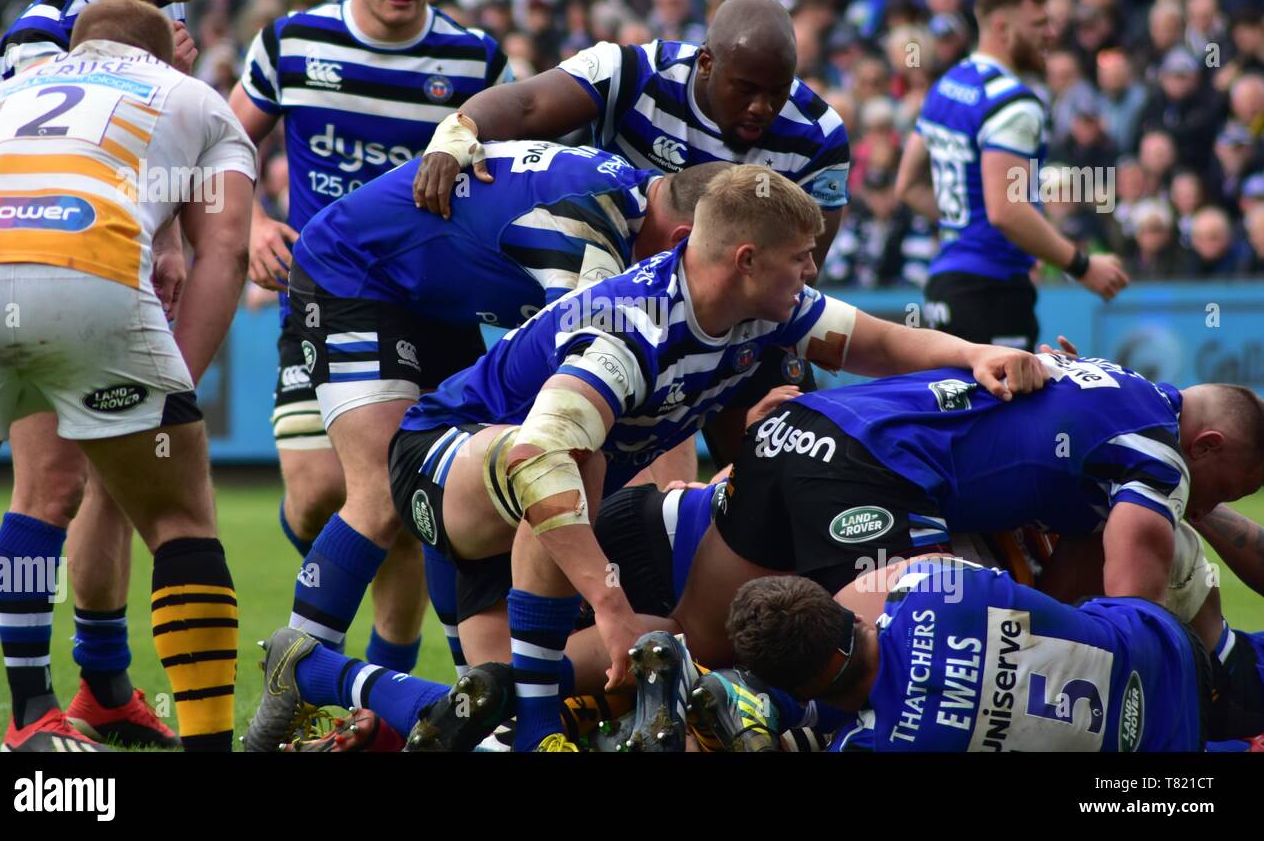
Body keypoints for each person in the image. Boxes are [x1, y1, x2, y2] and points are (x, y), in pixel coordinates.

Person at [241, 166, 1047, 753]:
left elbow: (878, 341)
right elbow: (536, 453)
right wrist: (613, 603)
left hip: (542, 517)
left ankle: (314, 674)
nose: (812, 272)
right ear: (744, 260)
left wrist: (977, 352)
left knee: (484, 713)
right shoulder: (634, 328)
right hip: (450, 466)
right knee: (568, 464)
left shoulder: (766, 310)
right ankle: (532, 726)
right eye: (802, 256)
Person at [283, 143, 720, 675]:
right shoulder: (586, 243)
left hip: (435, 297)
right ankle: (297, 676)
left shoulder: (638, 197)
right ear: (683, 241)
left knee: (460, 469)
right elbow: (594, 379)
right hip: (356, 270)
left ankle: (473, 687)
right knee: (384, 492)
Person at [228, 0, 511, 677]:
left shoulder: (476, 61)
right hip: (327, 299)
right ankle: (348, 668)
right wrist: (252, 223)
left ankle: (378, 678)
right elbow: (222, 143)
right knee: (324, 495)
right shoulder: (292, 42)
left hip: (436, 309)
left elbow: (513, 167)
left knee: (405, 500)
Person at [0, 0, 256, 752]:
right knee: (178, 519)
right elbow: (223, 254)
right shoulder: (192, 96)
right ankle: (210, 746)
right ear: (163, 54)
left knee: (33, 491)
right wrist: (174, 394)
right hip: (86, 271)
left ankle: (32, 713)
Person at [410, 0, 854, 467]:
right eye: (745, 88)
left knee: (782, 464)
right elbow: (528, 104)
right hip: (626, 307)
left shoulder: (819, 134)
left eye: (777, 92)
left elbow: (802, 272)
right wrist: (460, 129)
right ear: (705, 63)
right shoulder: (633, 73)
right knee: (614, 468)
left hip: (742, 318)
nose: (762, 107)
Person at [667, 353, 1264, 672]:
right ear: (1205, 445)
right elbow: (1127, 619)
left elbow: (1069, 586)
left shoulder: (1115, 381)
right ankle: (776, 719)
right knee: (924, 657)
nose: (1207, 505)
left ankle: (582, 693)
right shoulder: (1161, 462)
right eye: (1225, 490)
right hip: (874, 470)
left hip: (799, 428)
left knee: (697, 644)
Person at [725, 563, 1224, 751]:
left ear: (806, 685)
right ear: (848, 614)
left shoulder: (871, 746)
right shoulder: (925, 586)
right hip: (1166, 642)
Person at [897, 0, 1129, 351]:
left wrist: (980, 231)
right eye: (1039, 24)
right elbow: (1006, 210)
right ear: (1003, 27)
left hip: (944, 287)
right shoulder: (1014, 103)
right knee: (1008, 408)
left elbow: (908, 185)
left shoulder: (948, 86)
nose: (1050, 34)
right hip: (992, 294)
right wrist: (1083, 266)